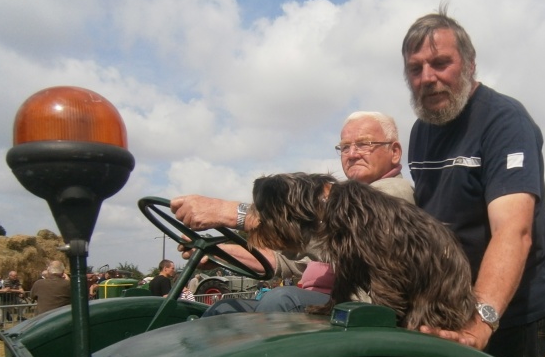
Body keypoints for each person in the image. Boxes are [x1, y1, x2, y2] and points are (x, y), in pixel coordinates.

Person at [401, 7, 545, 357]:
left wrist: (482, 320)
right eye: (415, 68)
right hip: (452, 305)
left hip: (511, 310)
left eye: (441, 63)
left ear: (469, 63)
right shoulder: (421, 130)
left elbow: (513, 230)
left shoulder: (505, 121)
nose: (428, 78)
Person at [171, 111, 415, 315]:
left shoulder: (392, 195)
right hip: (319, 303)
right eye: (345, 147)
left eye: (364, 144)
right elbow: (285, 260)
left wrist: (237, 214)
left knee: (281, 299)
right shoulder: (332, 203)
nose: (352, 154)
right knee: (224, 309)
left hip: (359, 310)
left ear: (394, 152)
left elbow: (350, 243)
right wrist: (218, 251)